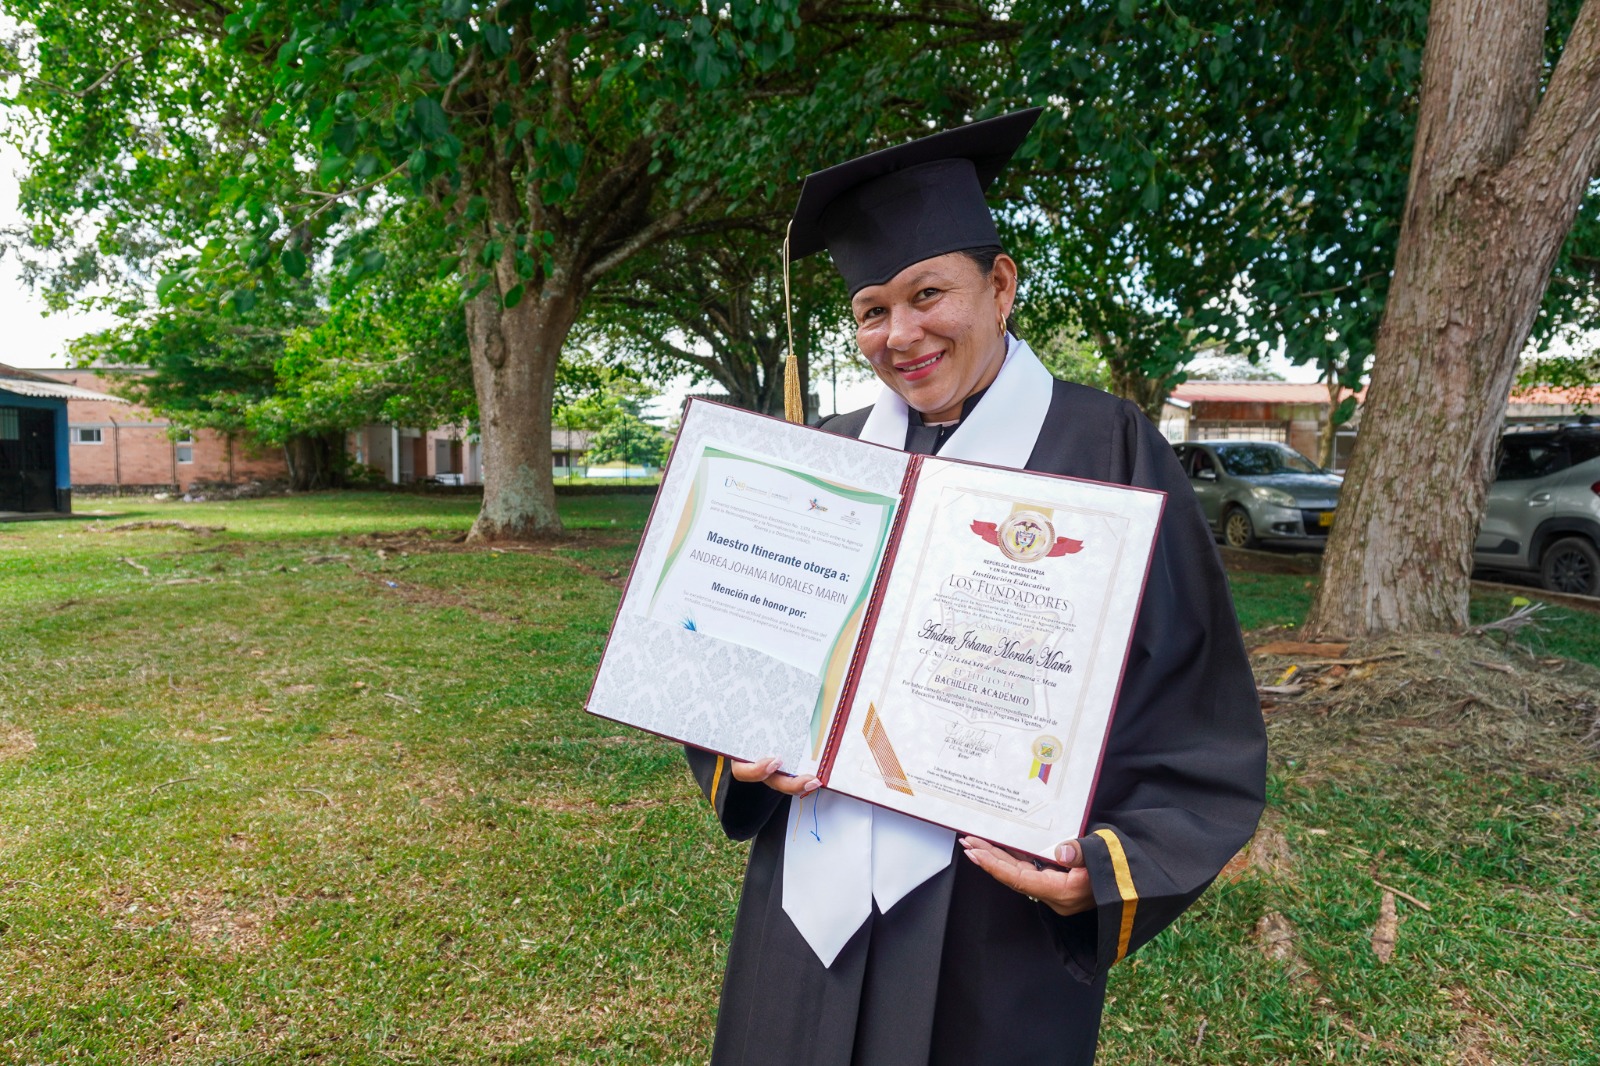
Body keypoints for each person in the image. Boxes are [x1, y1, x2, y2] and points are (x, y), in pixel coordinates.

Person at [684, 109, 1266, 1066]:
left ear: (1000, 286)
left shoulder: (1109, 450)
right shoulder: (826, 459)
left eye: (928, 293)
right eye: (873, 308)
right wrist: (736, 746)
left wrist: (1107, 872)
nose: (900, 333)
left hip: (990, 918)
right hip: (806, 900)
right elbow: (735, 653)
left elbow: (1193, 697)